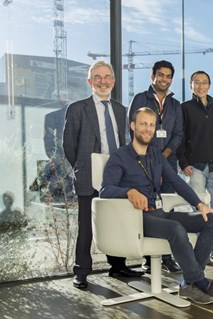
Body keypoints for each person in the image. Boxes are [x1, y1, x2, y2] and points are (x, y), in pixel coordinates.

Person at [100, 107, 213, 304]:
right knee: (176, 228)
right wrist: (128, 192)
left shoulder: (157, 155)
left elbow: (177, 182)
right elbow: (105, 190)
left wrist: (200, 205)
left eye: (151, 125)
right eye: (143, 124)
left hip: (160, 213)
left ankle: (190, 283)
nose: (148, 129)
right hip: (137, 218)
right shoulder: (119, 156)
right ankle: (202, 283)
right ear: (132, 126)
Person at [63, 61, 143, 290]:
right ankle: (81, 272)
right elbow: (69, 145)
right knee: (86, 226)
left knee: (116, 221)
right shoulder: (77, 108)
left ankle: (117, 266)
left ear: (114, 81)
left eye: (107, 77)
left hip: (116, 176)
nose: (103, 81)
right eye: (97, 77)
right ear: (90, 82)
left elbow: (124, 142)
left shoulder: (120, 110)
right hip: (89, 174)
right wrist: (81, 166)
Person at [128, 60, 183, 274]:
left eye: (168, 76)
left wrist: (163, 157)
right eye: (160, 75)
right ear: (153, 76)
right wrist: (150, 158)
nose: (164, 79)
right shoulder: (141, 99)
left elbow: (178, 134)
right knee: (148, 209)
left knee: (166, 208)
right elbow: (133, 130)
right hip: (143, 161)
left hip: (167, 162)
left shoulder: (175, 105)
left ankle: (167, 258)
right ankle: (149, 259)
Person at [177, 71, 213, 263]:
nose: (200, 86)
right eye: (196, 82)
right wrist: (183, 163)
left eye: (204, 83)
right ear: (191, 85)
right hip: (195, 167)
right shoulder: (185, 108)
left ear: (209, 85)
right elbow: (180, 137)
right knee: (199, 209)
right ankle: (201, 248)